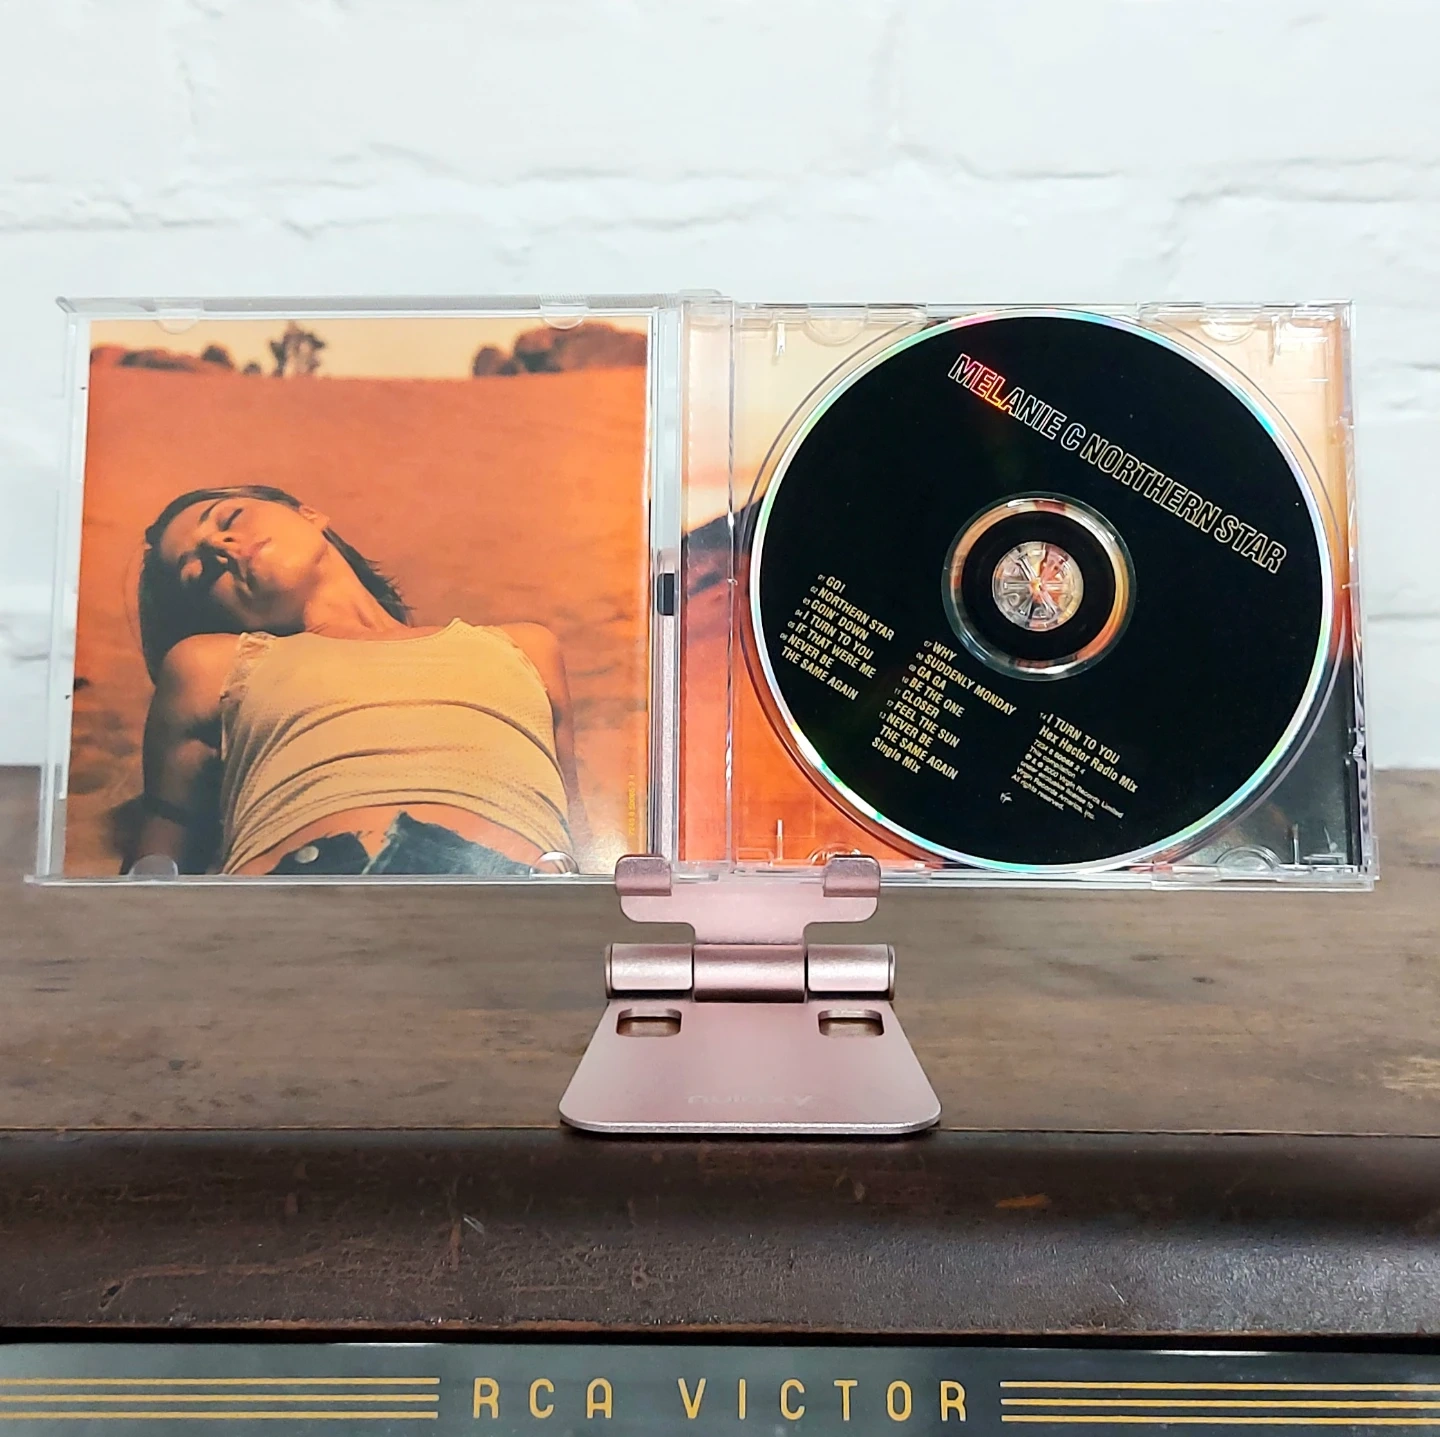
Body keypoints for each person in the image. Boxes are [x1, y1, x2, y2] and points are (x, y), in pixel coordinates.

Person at [132, 483, 587, 876]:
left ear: (309, 514)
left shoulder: (525, 647)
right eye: (199, 570)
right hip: (300, 905)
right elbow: (153, 872)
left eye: (230, 518)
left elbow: (577, 829)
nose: (220, 545)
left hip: (513, 905)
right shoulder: (211, 665)